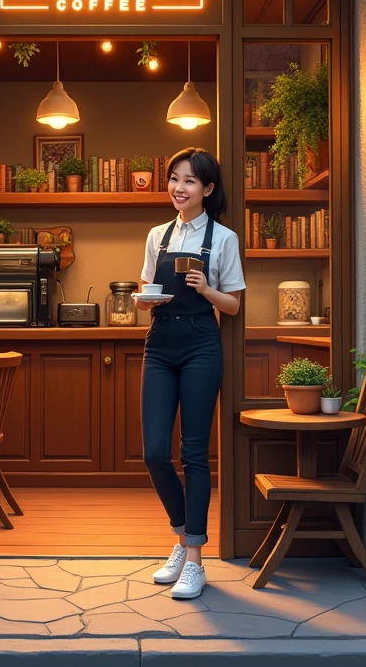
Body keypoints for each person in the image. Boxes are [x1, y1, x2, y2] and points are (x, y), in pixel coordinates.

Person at [136, 146, 245, 599]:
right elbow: (145, 287)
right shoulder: (157, 235)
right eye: (174, 178)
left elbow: (235, 304)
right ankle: (182, 537)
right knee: (155, 453)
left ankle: (195, 559)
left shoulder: (223, 238)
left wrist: (207, 290)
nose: (179, 188)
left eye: (190, 181)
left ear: (208, 189)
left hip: (202, 343)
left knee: (194, 454)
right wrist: (147, 298)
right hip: (160, 344)